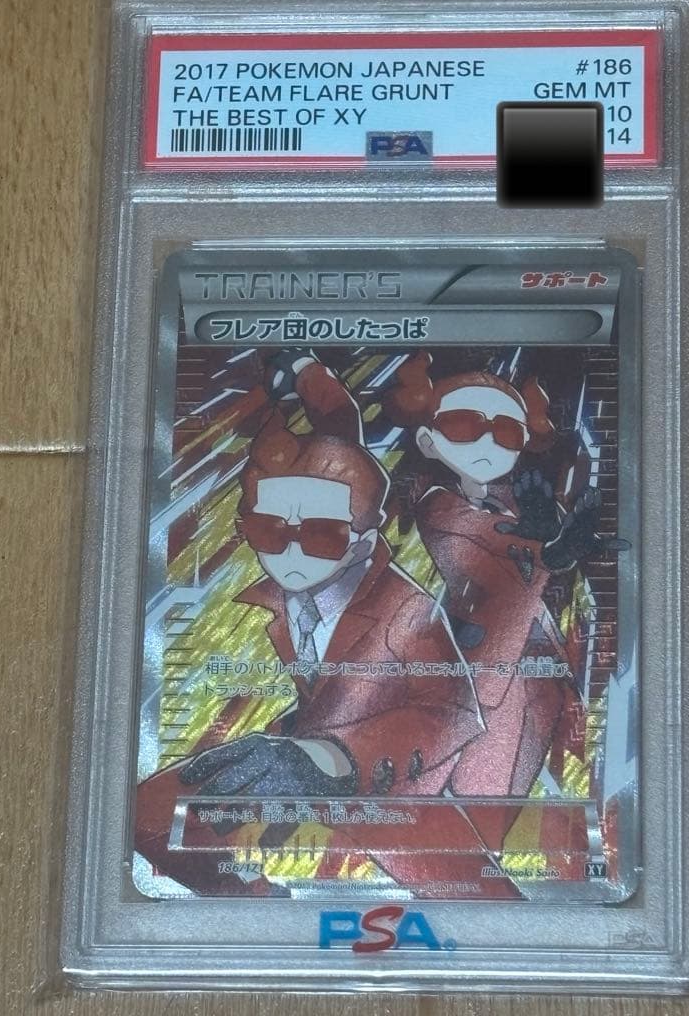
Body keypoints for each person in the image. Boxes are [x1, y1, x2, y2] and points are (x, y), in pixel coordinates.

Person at [135, 353, 519, 897]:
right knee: (150, 812)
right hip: (304, 742)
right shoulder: (296, 571)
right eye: (271, 531)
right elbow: (339, 429)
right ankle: (260, 912)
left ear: (363, 541)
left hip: (387, 779)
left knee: (482, 901)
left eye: (320, 535)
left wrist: (332, 761)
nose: (291, 553)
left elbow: (450, 712)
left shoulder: (404, 610)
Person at [383, 351, 609, 852]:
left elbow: (544, 557)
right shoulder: (436, 503)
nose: (486, 442)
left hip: (536, 675)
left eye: (505, 432)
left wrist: (564, 543)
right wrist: (550, 547)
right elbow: (486, 559)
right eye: (465, 425)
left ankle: (478, 872)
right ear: (428, 440)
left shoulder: (521, 498)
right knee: (460, 812)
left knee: (492, 817)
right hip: (473, 675)